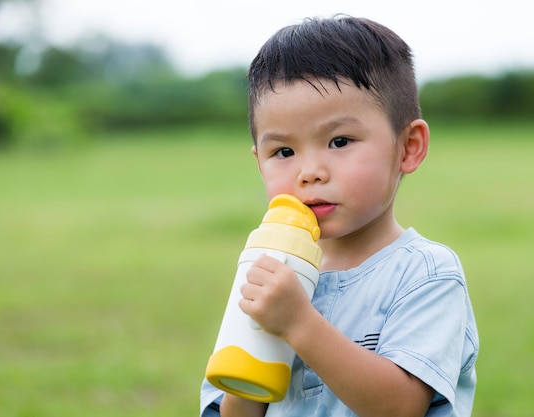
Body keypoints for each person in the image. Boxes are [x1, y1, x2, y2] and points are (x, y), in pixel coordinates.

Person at [200, 15, 478, 417]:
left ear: (408, 147)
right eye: (283, 152)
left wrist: (299, 323)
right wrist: (250, 353)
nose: (309, 171)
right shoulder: (271, 268)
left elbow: (400, 407)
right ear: (259, 162)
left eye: (339, 141)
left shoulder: (425, 274)